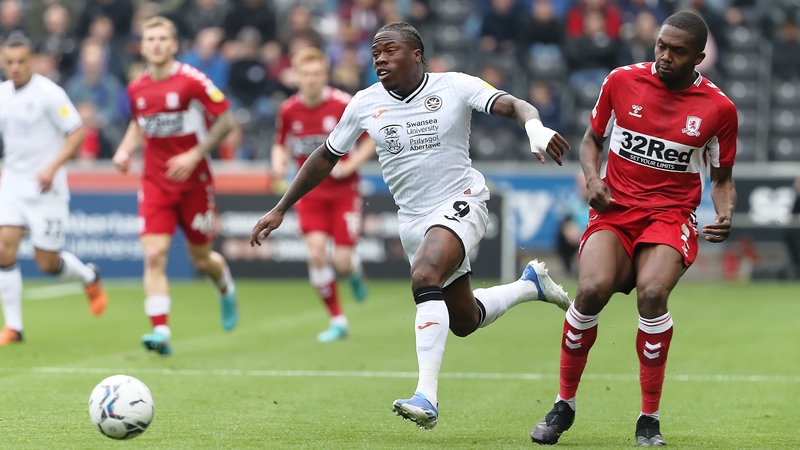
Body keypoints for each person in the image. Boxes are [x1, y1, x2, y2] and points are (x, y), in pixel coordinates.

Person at [251, 21, 572, 429]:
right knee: (464, 321)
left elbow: (514, 105)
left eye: (389, 51)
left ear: (416, 54)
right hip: (413, 220)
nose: (380, 59)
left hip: (463, 200)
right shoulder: (365, 102)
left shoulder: (454, 85)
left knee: (424, 276)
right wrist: (281, 208)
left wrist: (535, 128)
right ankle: (530, 285)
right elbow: (326, 156)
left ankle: (426, 396)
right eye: (375, 54)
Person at [529, 11, 738, 447]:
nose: (664, 56)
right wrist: (593, 179)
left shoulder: (719, 110)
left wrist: (724, 212)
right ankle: (563, 405)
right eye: (661, 45)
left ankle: (649, 419)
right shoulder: (622, 81)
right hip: (616, 209)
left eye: (677, 51)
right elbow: (591, 139)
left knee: (653, 294)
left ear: (699, 57)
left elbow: (721, 179)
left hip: (671, 215)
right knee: (590, 290)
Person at [112, 16, 239, 356]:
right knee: (154, 255)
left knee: (202, 259)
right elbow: (140, 124)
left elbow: (227, 119)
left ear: (172, 45)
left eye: (161, 38)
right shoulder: (136, 88)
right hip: (155, 183)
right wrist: (125, 149)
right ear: (142, 46)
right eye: (149, 38)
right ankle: (161, 330)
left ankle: (225, 288)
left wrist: (194, 155)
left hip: (194, 183)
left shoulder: (191, 81)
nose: (155, 44)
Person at [0, 35, 108, 345]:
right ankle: (14, 327)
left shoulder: (50, 93)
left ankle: (89, 277)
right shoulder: (3, 94)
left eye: (21, 61)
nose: (16, 67)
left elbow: (76, 133)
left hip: (46, 188)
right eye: (9, 62)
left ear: (31, 60)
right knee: (3, 248)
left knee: (46, 263)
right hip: (12, 184)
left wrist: (52, 167)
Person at [272, 47, 376, 342]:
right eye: (305, 74)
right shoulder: (289, 109)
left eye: (317, 74)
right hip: (309, 193)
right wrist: (278, 162)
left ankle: (354, 273)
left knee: (342, 262)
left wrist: (352, 164)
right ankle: (337, 320)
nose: (311, 79)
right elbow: (280, 143)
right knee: (316, 253)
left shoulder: (344, 104)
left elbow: (369, 141)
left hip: (344, 192)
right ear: (296, 76)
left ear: (325, 75)